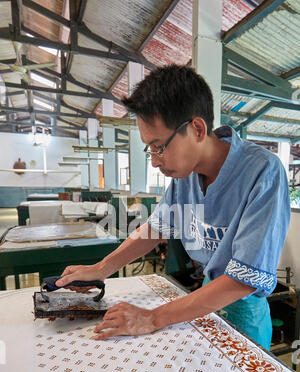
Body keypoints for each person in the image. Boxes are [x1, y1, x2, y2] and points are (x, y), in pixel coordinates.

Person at [56, 64, 290, 350]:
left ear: (197, 129)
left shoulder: (262, 172)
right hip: (204, 299)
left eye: (158, 146)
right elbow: (155, 228)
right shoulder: (185, 177)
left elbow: (243, 280)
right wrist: (102, 268)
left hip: (243, 312)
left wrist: (152, 318)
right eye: (149, 149)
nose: (154, 160)